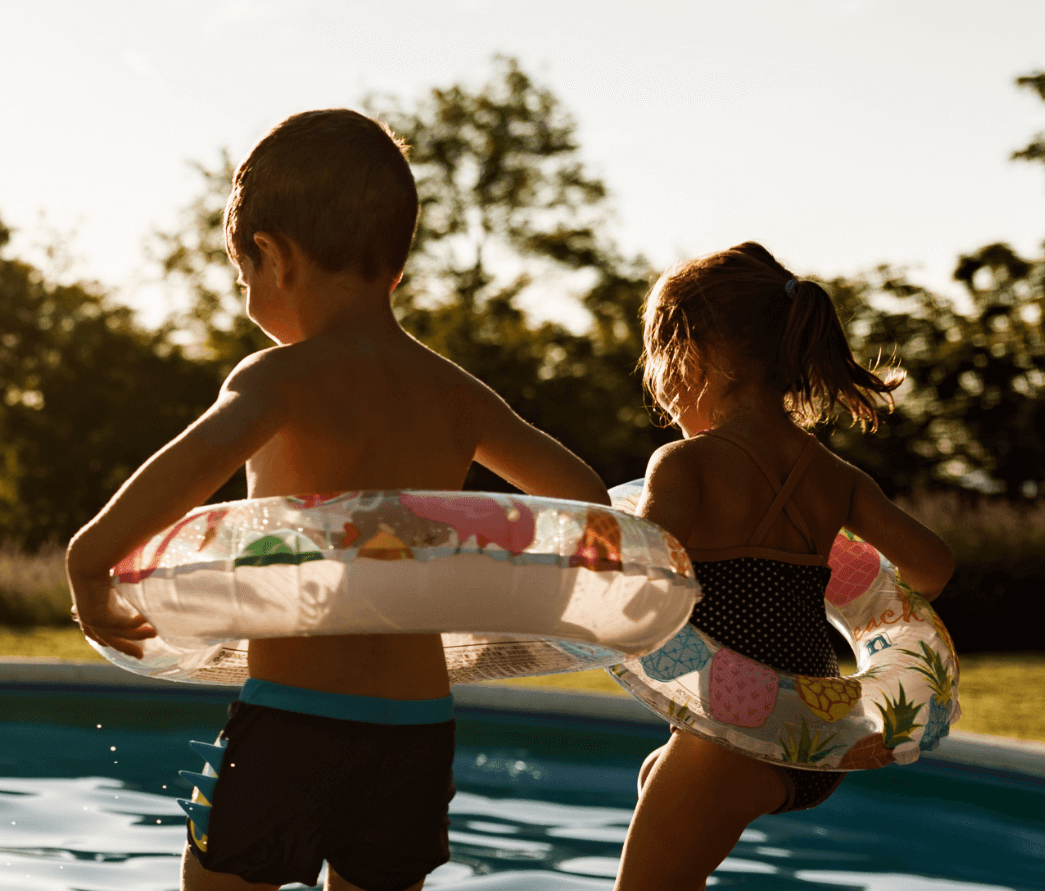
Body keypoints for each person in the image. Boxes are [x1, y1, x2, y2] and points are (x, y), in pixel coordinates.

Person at [65, 108, 609, 891]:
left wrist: (90, 560)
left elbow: (185, 473)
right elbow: (584, 502)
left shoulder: (277, 380)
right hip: (419, 731)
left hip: (292, 714)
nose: (247, 291)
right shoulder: (457, 395)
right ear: (396, 262)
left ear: (273, 255)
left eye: (242, 273)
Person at [613, 242, 955, 890]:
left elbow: (634, 580)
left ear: (694, 355)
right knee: (659, 773)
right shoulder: (833, 476)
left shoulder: (685, 466)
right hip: (818, 734)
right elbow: (933, 569)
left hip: (736, 730)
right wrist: (847, 564)